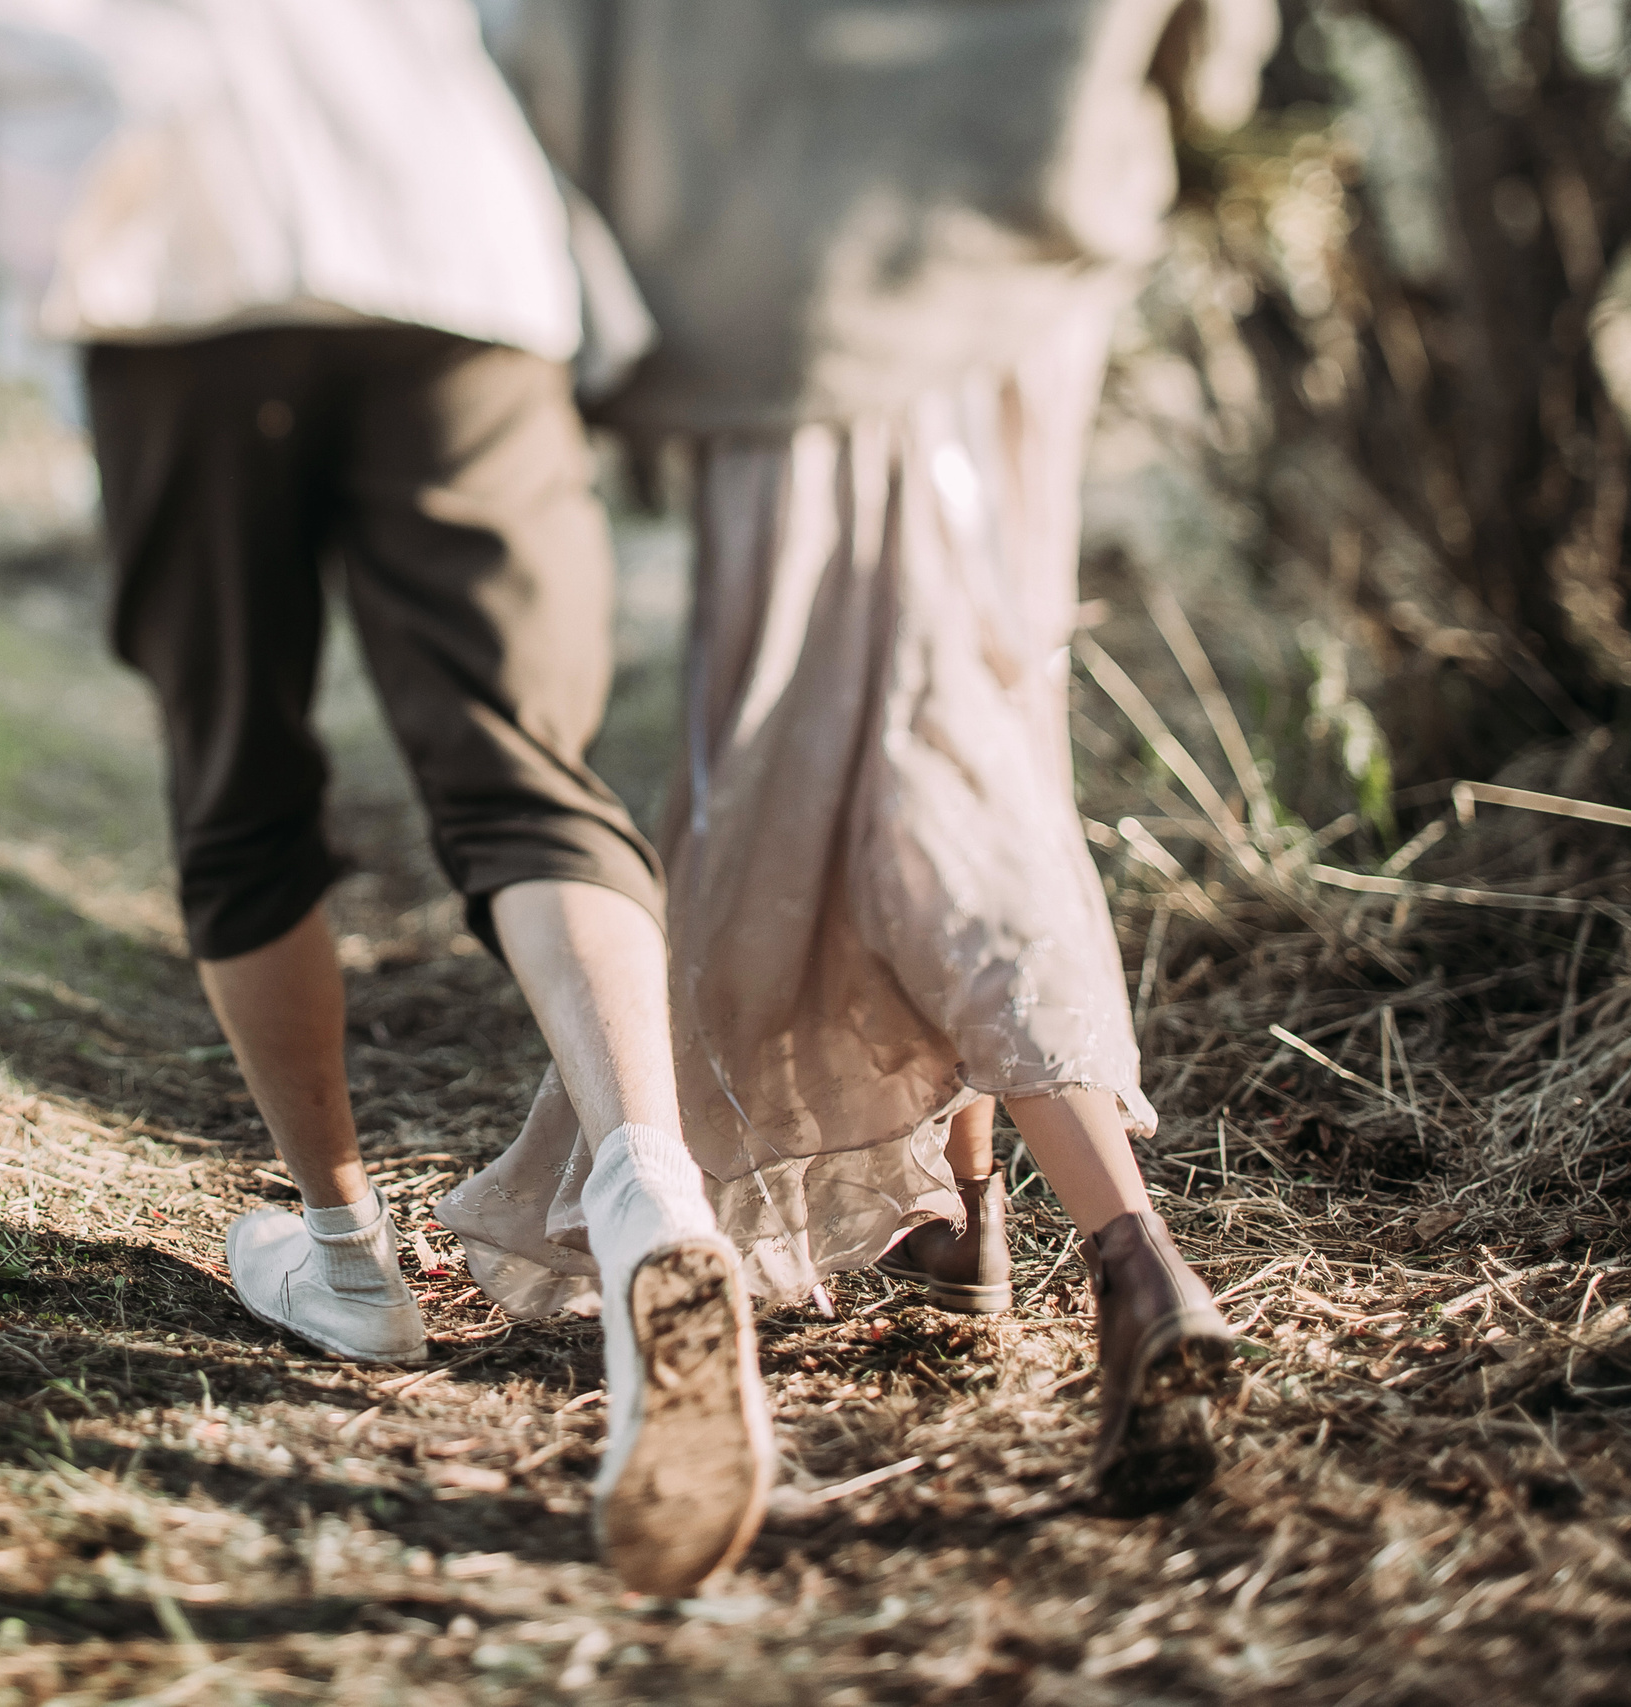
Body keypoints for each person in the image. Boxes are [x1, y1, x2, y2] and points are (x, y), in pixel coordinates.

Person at [0, 0, 770, 1593]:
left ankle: (350, 1259)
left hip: (171, 246)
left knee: (237, 768)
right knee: (521, 768)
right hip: (453, 247)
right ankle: (651, 1188)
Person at [442, 0, 1275, 1511]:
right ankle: (964, 1218)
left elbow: (553, 50)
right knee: (959, 725)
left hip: (797, 286)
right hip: (1019, 259)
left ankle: (1134, 1254)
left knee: (863, 757)